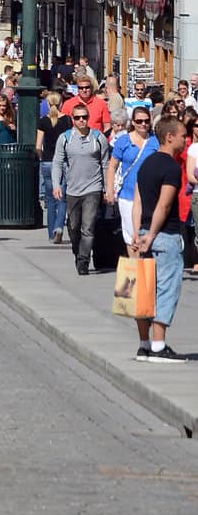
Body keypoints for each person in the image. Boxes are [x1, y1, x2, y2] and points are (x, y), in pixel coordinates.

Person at [133, 113, 190, 362]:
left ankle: (144, 344)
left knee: (144, 291)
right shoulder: (170, 167)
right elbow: (164, 205)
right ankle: (158, 345)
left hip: (144, 232)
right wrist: (154, 233)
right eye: (182, 136)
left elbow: (137, 201)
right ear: (169, 137)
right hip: (164, 235)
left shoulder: (146, 164)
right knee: (166, 289)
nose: (185, 139)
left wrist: (138, 233)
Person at [52, 100, 110, 275]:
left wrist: (107, 188)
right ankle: (78, 252)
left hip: (93, 187)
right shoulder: (65, 138)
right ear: (73, 119)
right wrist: (56, 185)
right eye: (78, 118)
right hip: (72, 189)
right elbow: (57, 162)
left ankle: (84, 261)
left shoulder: (98, 138)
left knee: (88, 227)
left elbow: (106, 164)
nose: (82, 121)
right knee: (74, 227)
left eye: (85, 117)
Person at [107, 106, 156, 247]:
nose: (143, 124)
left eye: (146, 121)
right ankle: (135, 267)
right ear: (133, 122)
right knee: (131, 236)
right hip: (127, 194)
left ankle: (146, 266)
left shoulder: (155, 141)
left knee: (147, 234)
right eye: (139, 121)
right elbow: (112, 167)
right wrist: (109, 190)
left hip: (150, 195)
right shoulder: (123, 141)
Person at [36, 90, 69, 244]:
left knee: (50, 200)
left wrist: (42, 157)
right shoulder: (67, 120)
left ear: (48, 104)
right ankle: (59, 227)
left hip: (48, 162)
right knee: (62, 198)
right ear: (60, 103)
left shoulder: (43, 121)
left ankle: (51, 234)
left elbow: (38, 146)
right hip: (63, 162)